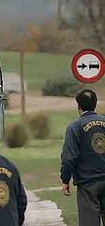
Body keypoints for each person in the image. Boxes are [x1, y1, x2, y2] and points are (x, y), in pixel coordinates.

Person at [61, 89, 105, 226]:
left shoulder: (75, 127)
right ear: (95, 104)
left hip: (88, 184)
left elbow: (69, 157)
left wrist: (65, 179)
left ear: (79, 107)